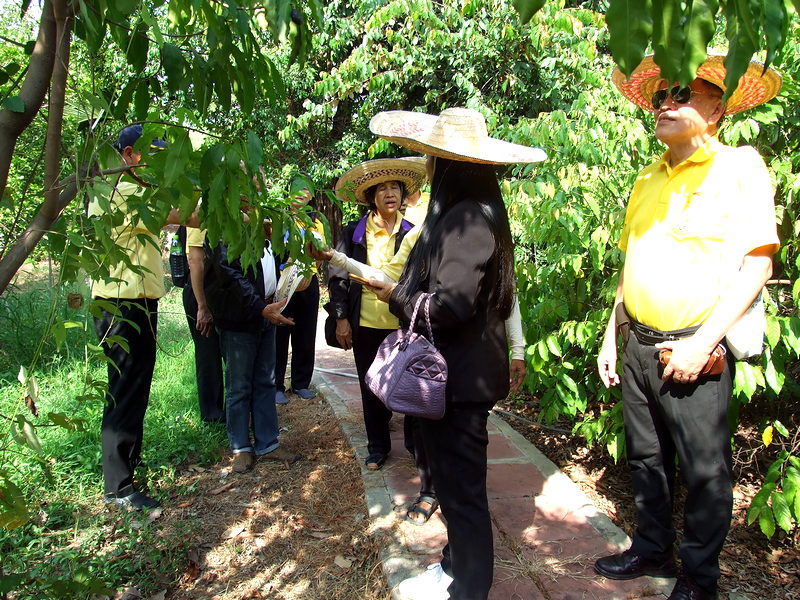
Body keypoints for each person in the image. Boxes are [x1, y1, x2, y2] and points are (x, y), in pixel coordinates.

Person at [594, 54, 781, 600]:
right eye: (660, 96)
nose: (666, 104)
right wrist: (612, 333)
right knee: (646, 459)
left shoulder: (739, 167)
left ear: (717, 109)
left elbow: (758, 266)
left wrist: (702, 344)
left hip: (695, 349)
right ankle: (652, 548)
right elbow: (631, 262)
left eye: (682, 93)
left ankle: (700, 579)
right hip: (638, 345)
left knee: (704, 471)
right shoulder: (646, 177)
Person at [366, 107, 546, 600]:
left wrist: (396, 295)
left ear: (449, 164)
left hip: (459, 382)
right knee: (450, 484)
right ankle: (453, 567)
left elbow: (450, 306)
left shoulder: (467, 219)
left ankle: (470, 587)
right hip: (454, 377)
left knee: (463, 494)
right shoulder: (468, 213)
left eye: (432, 158)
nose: (427, 167)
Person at [90, 124, 197, 510]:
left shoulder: (133, 191)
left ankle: (126, 472)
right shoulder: (124, 193)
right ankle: (119, 488)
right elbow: (189, 215)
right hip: (121, 306)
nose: (161, 165)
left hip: (136, 303)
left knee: (134, 387)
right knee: (126, 389)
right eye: (154, 155)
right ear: (130, 155)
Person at [328, 157, 427, 471]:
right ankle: (377, 447)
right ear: (371, 197)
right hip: (366, 323)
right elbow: (338, 277)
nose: (389, 193)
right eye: (382, 188)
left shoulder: (414, 233)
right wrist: (341, 317)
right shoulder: (354, 233)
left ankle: (414, 445)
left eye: (395, 187)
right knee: (370, 385)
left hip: (404, 322)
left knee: (410, 383)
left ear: (402, 194)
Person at [204, 229, 302, 473]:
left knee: (266, 381)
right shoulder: (226, 228)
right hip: (239, 317)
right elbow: (229, 273)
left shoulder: (267, 225)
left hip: (265, 313)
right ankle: (240, 447)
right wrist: (259, 307)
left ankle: (268, 443)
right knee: (239, 385)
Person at [274, 177, 326, 404]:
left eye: (306, 188)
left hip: (307, 282)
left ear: (312, 195)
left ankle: (301, 383)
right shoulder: (278, 218)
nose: (301, 192)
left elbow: (321, 254)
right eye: (296, 187)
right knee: (279, 334)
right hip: (282, 282)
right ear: (288, 191)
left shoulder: (316, 222)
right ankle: (276, 384)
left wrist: (309, 273)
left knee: (305, 333)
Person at [183, 226, 225, 423]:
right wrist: (202, 305)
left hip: (221, 289)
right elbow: (195, 259)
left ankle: (230, 409)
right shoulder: (199, 215)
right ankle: (212, 414)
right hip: (201, 292)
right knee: (208, 353)